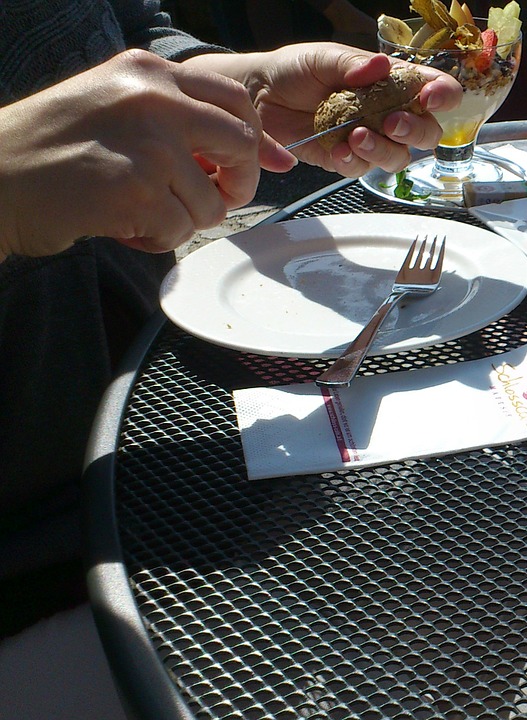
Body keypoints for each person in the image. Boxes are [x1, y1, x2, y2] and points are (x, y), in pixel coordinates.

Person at [0, 0, 461, 639]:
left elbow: (126, 32)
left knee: (440, 542)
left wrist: (242, 90)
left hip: (156, 398)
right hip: (31, 549)